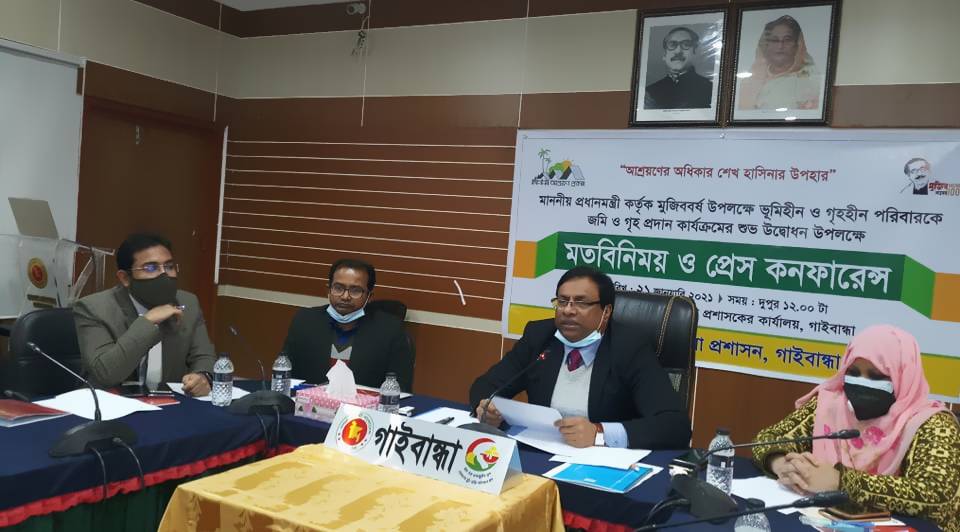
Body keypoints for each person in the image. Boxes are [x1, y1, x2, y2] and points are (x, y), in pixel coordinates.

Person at [752, 325, 960, 531]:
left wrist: (839, 482)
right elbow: (767, 438)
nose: (862, 382)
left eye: (876, 376)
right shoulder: (831, 406)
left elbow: (935, 496)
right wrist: (781, 464)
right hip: (825, 521)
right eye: (853, 372)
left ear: (903, 375)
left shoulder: (932, 423)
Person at [469, 266, 691, 449]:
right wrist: (487, 409)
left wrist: (599, 433)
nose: (568, 310)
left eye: (581, 303)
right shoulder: (540, 337)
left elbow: (675, 426)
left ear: (606, 312)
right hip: (540, 453)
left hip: (601, 464)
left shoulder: (629, 348)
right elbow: (485, 386)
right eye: (562, 301)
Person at [73, 233, 214, 395]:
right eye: (151, 268)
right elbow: (106, 374)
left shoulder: (187, 303)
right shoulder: (94, 308)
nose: (164, 274)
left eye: (169, 267)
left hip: (169, 403)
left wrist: (203, 377)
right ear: (125, 278)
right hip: (108, 403)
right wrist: (147, 322)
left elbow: (204, 357)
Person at [282, 258, 414, 391]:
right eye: (338, 288)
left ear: (369, 296)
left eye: (355, 290)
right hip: (307, 402)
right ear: (329, 289)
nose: (345, 296)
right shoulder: (305, 321)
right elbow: (284, 373)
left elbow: (400, 389)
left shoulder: (390, 330)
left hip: (365, 404)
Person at [737, 15, 821, 110]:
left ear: (797, 44)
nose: (780, 45)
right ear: (766, 45)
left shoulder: (810, 79)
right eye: (774, 40)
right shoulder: (750, 80)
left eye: (787, 40)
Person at [644, 26, 713, 110]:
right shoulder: (649, 92)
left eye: (686, 45)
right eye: (672, 45)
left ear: (695, 52)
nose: (678, 51)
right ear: (664, 55)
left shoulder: (710, 89)